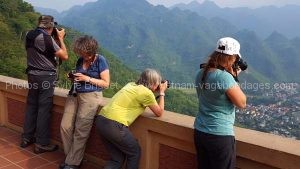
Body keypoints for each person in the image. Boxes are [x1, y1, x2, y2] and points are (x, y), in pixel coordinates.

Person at [95, 68, 168, 169]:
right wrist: (162, 92)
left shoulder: (130, 85)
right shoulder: (147, 93)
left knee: (117, 158)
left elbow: (140, 98)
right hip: (114, 125)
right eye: (157, 82)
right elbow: (159, 112)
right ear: (153, 82)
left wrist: (155, 91)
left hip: (101, 120)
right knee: (134, 152)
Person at [194, 37, 247, 169]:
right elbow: (242, 103)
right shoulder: (224, 77)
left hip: (200, 131)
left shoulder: (200, 73)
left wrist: (231, 76)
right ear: (232, 58)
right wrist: (233, 77)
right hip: (219, 135)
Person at [60, 35, 110, 169]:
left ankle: (72, 162)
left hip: (91, 96)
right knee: (65, 126)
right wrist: (73, 77)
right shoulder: (80, 60)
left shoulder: (101, 60)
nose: (81, 54)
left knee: (81, 131)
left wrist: (87, 79)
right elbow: (79, 77)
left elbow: (106, 83)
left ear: (91, 51)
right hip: (74, 94)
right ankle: (71, 157)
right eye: (79, 52)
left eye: (83, 52)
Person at [21, 15, 68, 154]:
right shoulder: (47, 39)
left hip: (32, 75)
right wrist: (60, 38)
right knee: (44, 110)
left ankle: (26, 138)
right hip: (46, 78)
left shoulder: (29, 34)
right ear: (51, 26)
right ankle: (41, 143)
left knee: (31, 106)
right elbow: (64, 56)